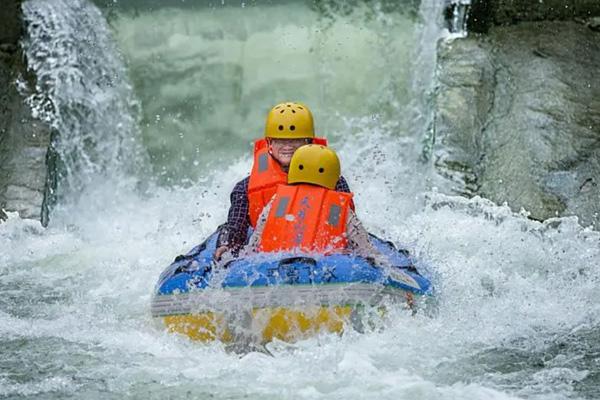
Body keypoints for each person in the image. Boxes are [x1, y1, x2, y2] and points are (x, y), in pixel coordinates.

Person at [215, 102, 353, 260]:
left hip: (322, 249)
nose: (287, 146)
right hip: (269, 251)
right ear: (269, 144)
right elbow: (235, 225)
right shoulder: (245, 187)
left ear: (308, 143)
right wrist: (225, 244)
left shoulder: (333, 179)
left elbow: (348, 222)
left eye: (295, 140)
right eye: (280, 140)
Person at [241, 144, 387, 263]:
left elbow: (255, 244)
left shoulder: (277, 201)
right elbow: (366, 250)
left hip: (275, 266)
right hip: (328, 272)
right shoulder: (339, 208)